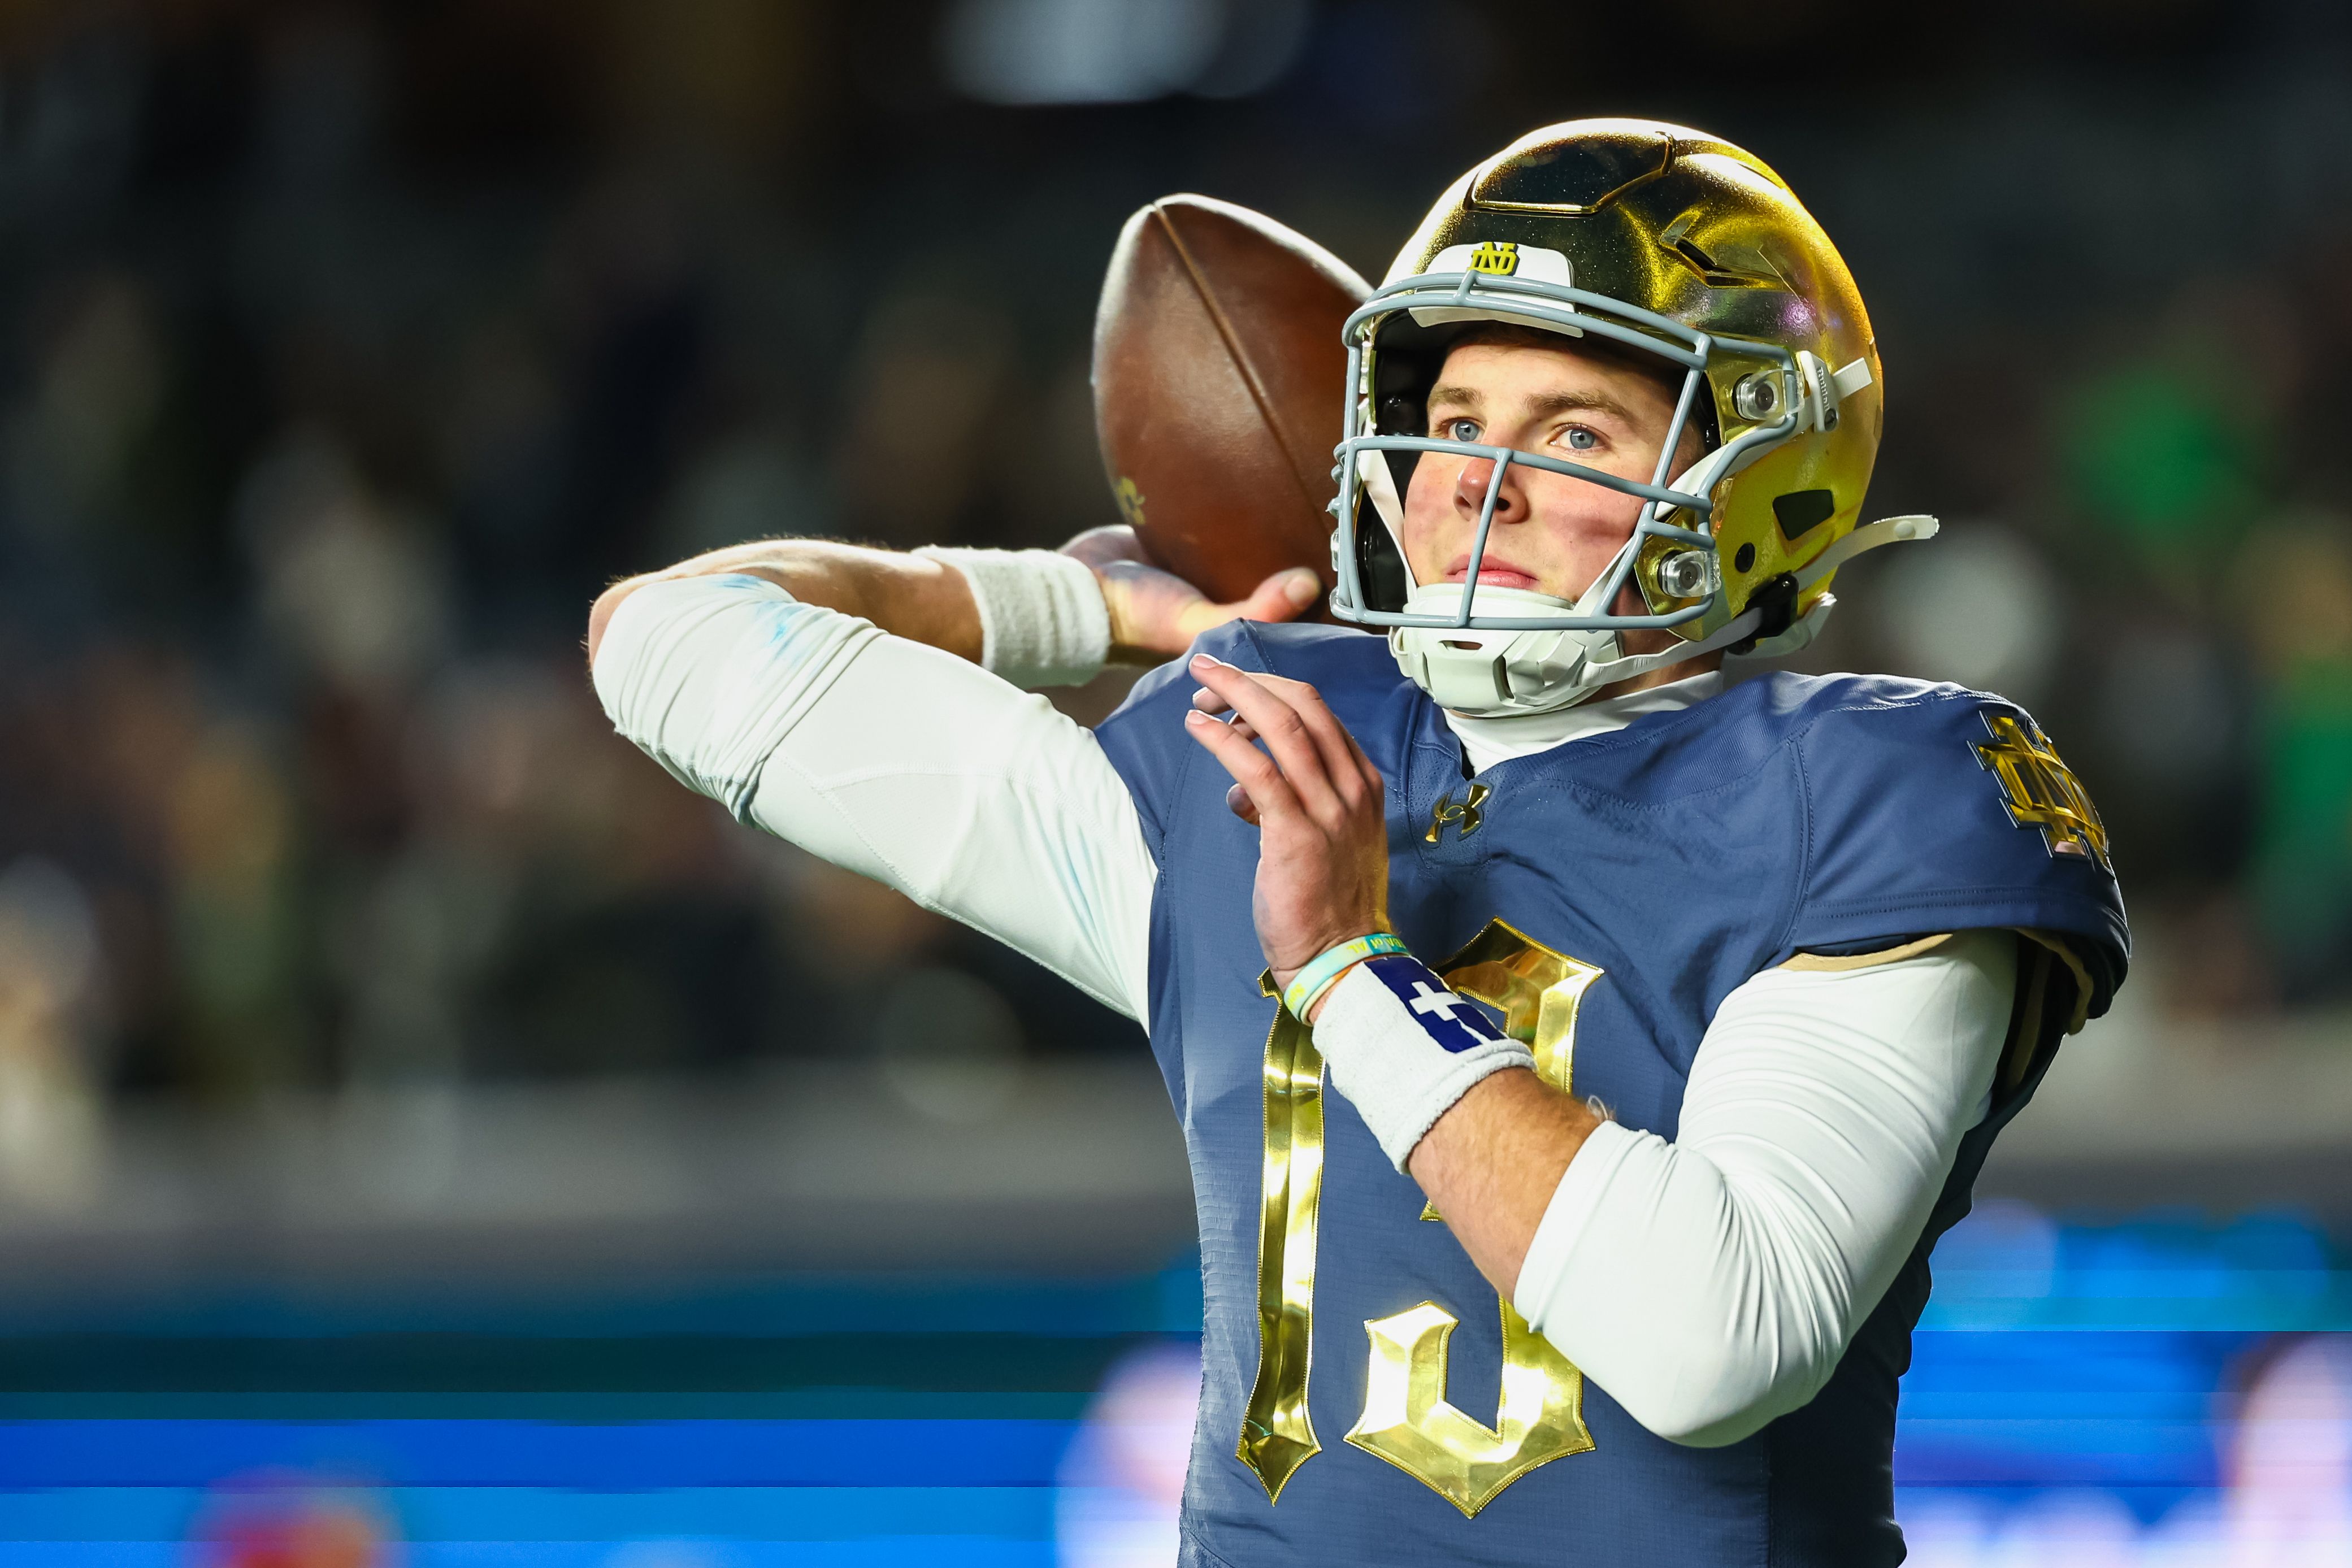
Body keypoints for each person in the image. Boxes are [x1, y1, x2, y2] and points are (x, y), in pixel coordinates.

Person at [585, 119, 2127, 1566]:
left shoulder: (1873, 783)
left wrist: (1344, 965)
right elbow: (669, 646)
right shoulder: (1261, 734)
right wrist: (1079, 607)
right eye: (1452, 418)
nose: (1479, 480)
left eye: (1573, 426)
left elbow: (1710, 1338)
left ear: (1751, 475)